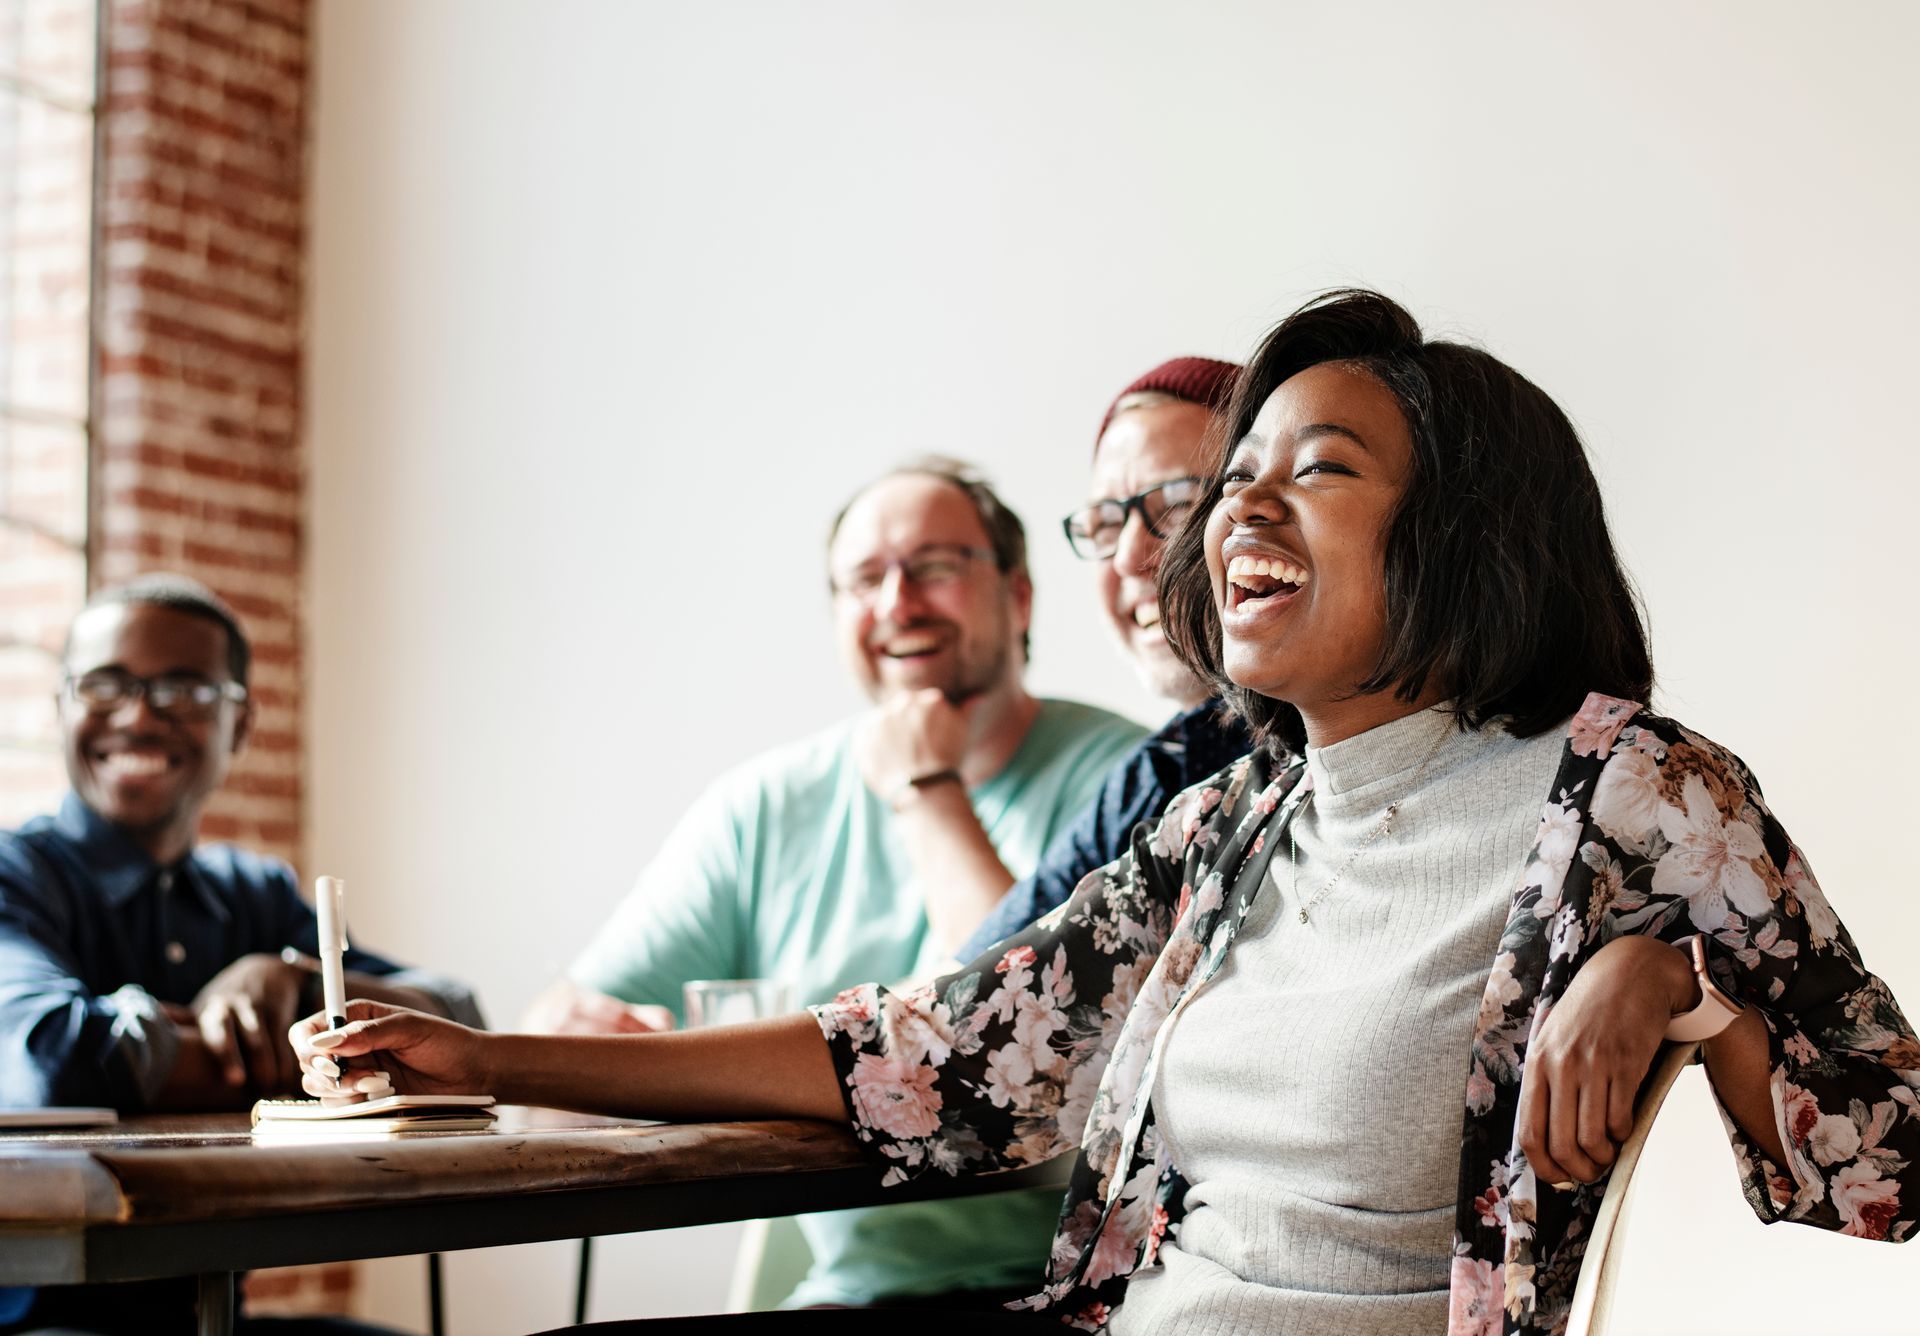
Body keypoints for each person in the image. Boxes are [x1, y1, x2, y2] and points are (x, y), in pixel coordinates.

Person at [293, 291, 1918, 1336]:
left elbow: (1888, 1162)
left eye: (1320, 468)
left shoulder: (1631, 791)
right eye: (1245, 470)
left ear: (1463, 531)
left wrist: (1685, 991)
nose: (1241, 509)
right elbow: (938, 1057)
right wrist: (486, 1058)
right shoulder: (1233, 826)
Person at [523, 458, 1147, 1309]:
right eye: (864, 579)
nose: (897, 602)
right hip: (851, 1295)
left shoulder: (1126, 777)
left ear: (1020, 596)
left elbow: (1018, 1039)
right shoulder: (764, 809)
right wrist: (588, 1053)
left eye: (936, 566)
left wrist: (926, 788)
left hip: (1079, 1296)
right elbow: (564, 1043)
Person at [0, 576, 478, 1336]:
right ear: (59, 705)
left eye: (184, 687)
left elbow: (456, 1023)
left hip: (209, 1315)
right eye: (104, 683)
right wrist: (303, 1045)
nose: (139, 714)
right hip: (37, 1317)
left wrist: (295, 975)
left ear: (241, 721)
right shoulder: (14, 875)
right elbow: (50, 1058)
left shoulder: (252, 893)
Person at [959, 357, 1254, 961]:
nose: (1126, 557)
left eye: (1175, 504)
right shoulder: (1162, 766)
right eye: (1105, 522)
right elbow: (975, 982)